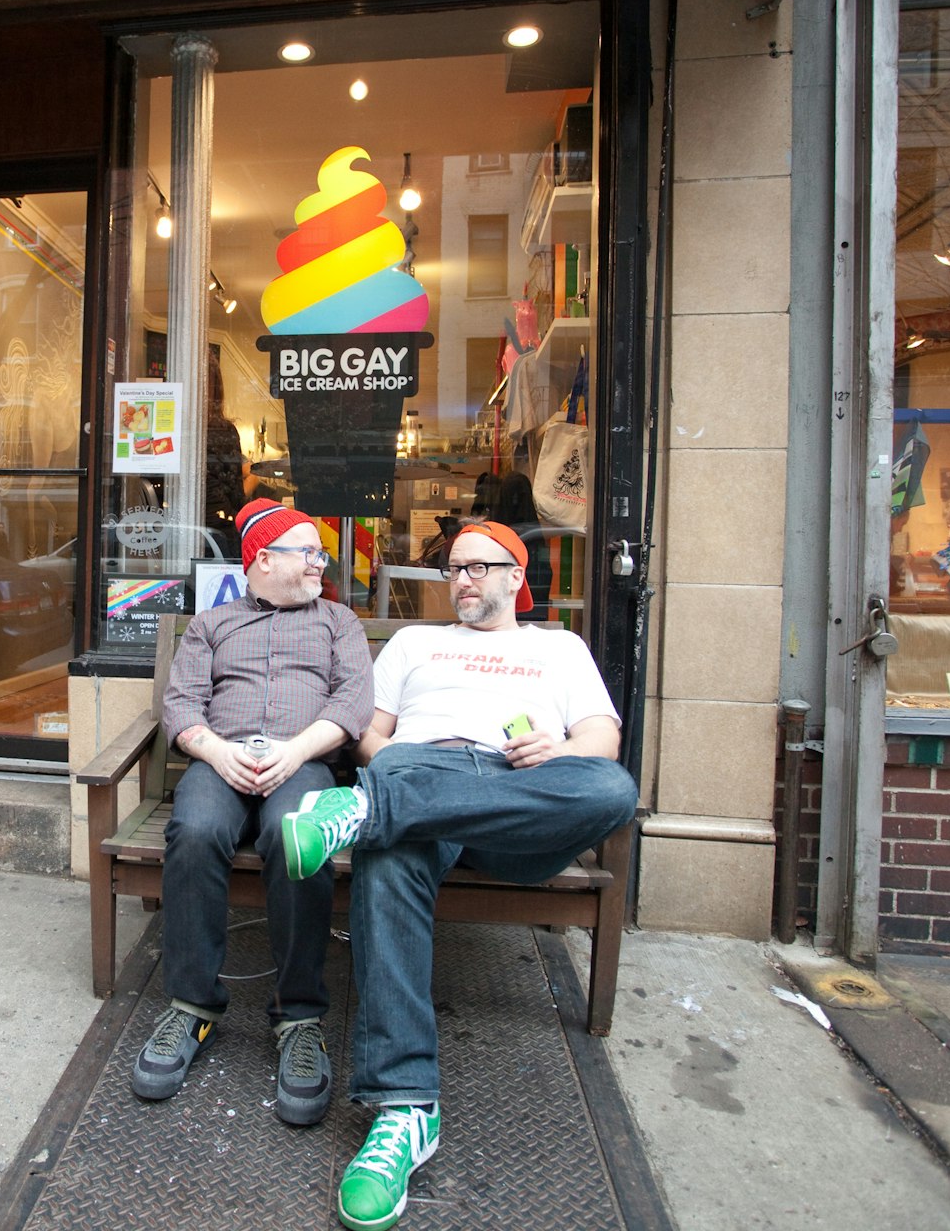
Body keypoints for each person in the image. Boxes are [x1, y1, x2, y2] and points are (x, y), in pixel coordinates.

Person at [280, 519, 638, 1231]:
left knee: (610, 790)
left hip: (518, 797)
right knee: (392, 854)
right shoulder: (416, 643)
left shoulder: (558, 647)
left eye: (479, 568)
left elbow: (603, 742)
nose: (463, 580)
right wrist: (404, 765)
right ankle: (404, 1109)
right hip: (423, 776)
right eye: (453, 570)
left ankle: (364, 813)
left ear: (516, 576)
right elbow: (368, 733)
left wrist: (561, 745)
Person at [135, 498, 375, 1126]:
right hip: (221, 762)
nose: (321, 563)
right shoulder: (211, 626)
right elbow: (181, 704)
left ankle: (298, 1016)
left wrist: (296, 752)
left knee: (298, 837)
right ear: (264, 560)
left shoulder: (339, 623)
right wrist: (216, 751)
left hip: (304, 762)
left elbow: (353, 703)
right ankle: (191, 1007)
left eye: (320, 553)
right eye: (310, 552)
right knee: (196, 829)